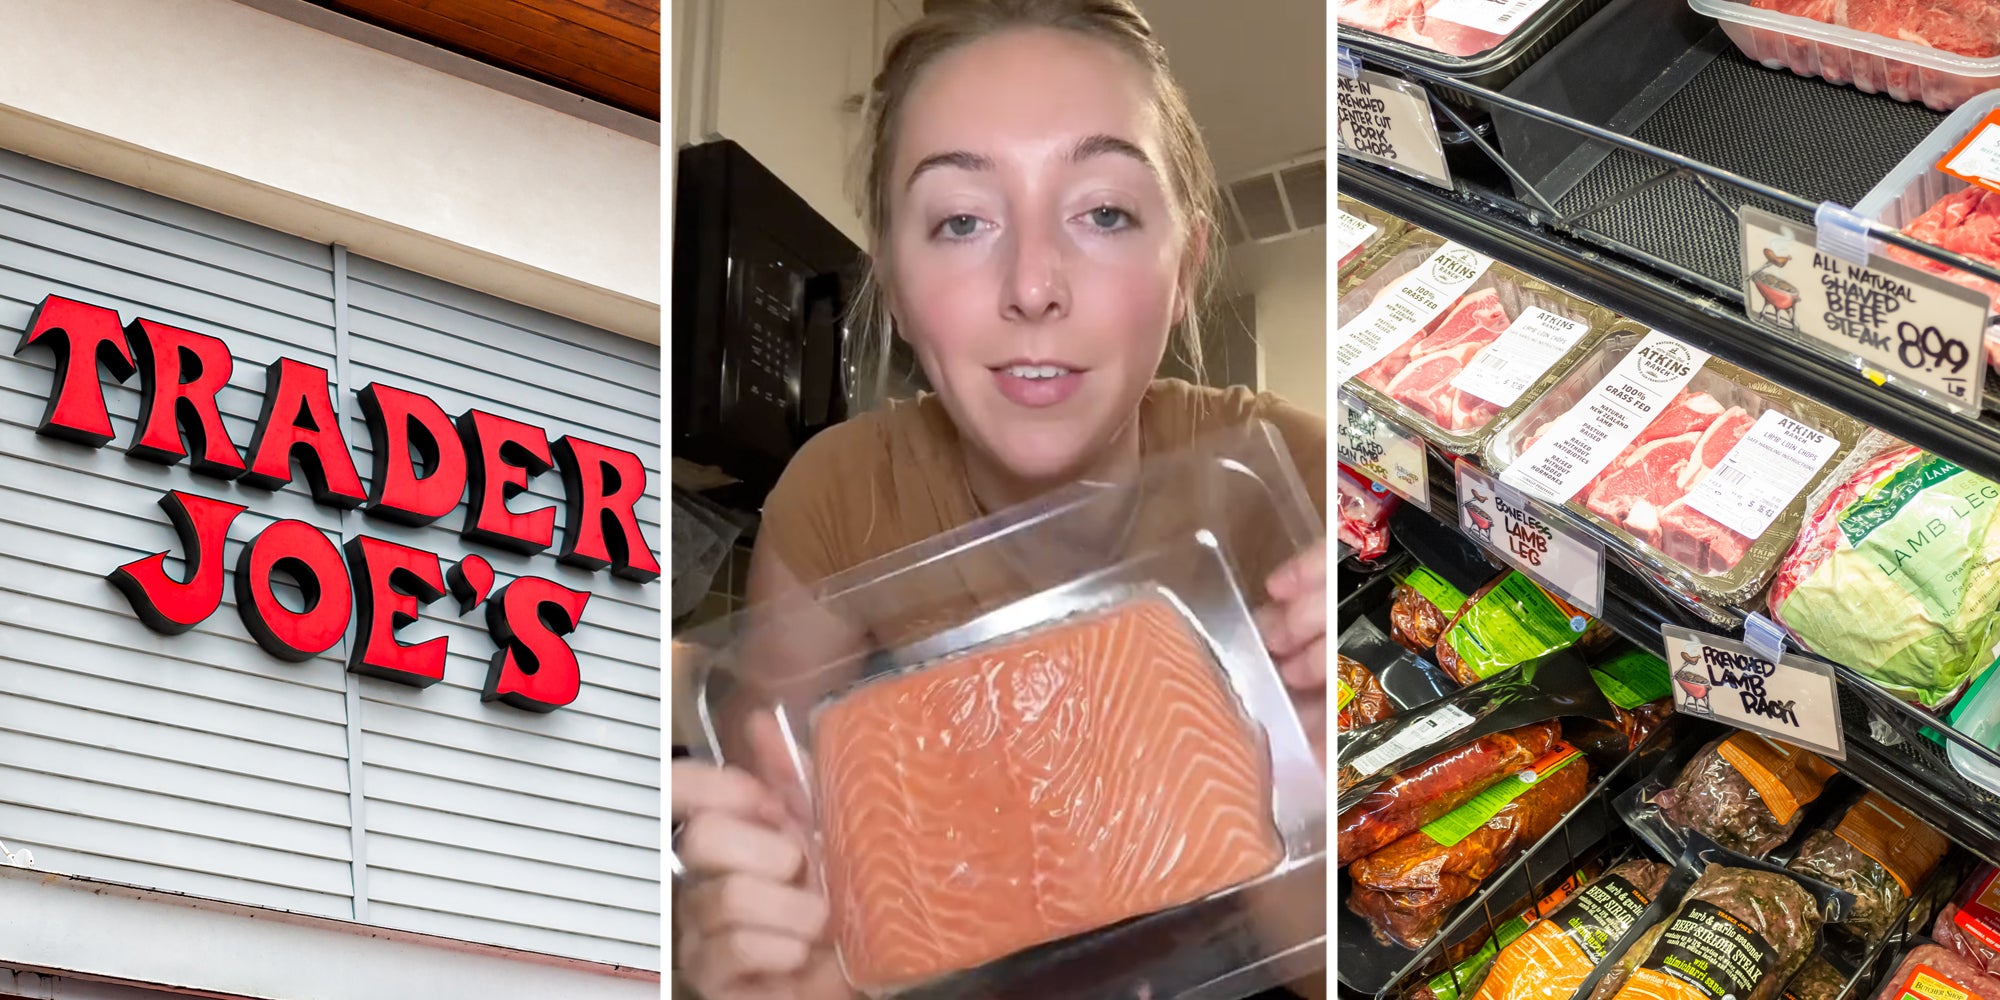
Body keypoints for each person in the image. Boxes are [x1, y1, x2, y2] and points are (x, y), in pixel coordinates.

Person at [670, 1, 1328, 997]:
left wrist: (1336, 769)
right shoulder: (841, 494)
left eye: (1102, 212)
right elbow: (790, 866)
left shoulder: (1296, 476)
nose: (1030, 284)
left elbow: (1323, 943)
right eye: (960, 220)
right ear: (892, 280)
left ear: (1185, 268)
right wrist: (760, 950)